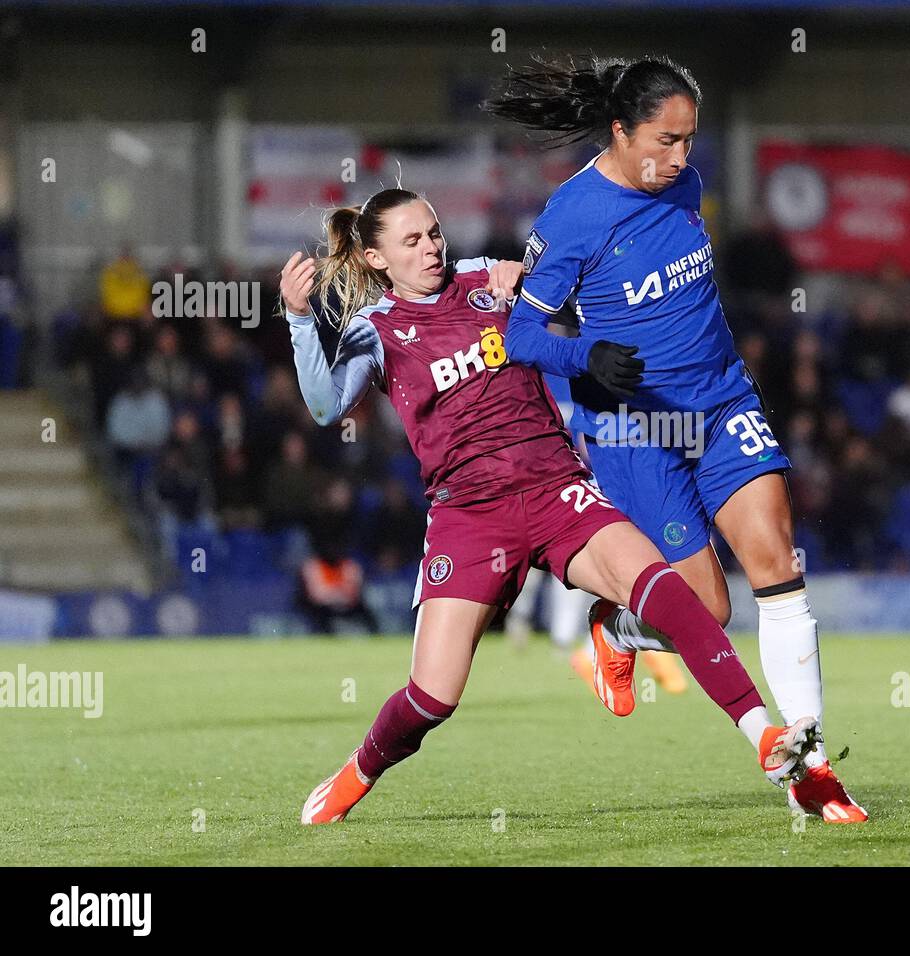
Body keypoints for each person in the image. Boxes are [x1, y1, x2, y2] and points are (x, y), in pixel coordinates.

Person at [282, 187, 821, 824]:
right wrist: (297, 318)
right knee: (432, 697)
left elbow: (581, 311)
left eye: (433, 232)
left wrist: (537, 298)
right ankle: (359, 770)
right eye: (411, 241)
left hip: (557, 487)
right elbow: (324, 406)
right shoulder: (375, 331)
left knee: (671, 592)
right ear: (376, 259)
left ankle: (765, 738)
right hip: (470, 515)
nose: (431, 248)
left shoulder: (489, 280)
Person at [484, 54, 866, 823]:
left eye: (690, 140)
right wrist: (583, 354)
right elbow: (520, 336)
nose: (681, 159)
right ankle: (616, 626)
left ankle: (813, 769)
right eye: (666, 140)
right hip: (632, 429)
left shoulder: (683, 184)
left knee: (777, 559)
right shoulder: (570, 217)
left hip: (721, 401)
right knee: (707, 611)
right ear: (621, 132)